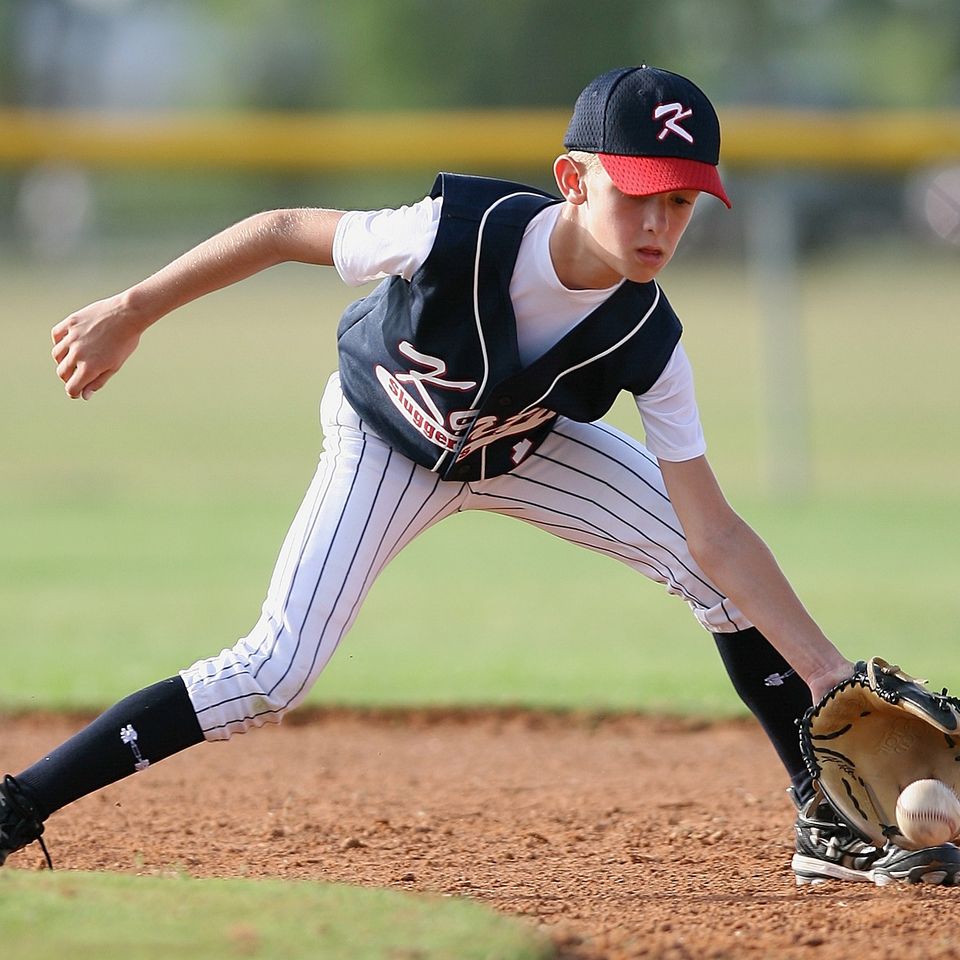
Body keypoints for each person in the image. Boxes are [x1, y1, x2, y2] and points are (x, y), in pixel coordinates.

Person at [2, 65, 957, 886]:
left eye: (682, 200)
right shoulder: (454, 233)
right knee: (276, 669)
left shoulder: (649, 339)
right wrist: (132, 308)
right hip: (387, 441)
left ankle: (823, 819)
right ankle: (21, 800)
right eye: (639, 193)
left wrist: (832, 674)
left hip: (523, 447)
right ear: (571, 180)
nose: (662, 221)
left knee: (714, 573)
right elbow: (286, 225)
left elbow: (714, 531)